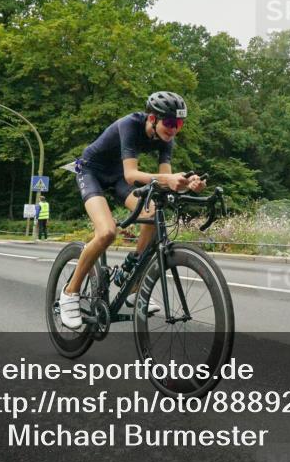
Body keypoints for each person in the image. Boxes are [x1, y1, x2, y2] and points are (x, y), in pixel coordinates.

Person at [59, 91, 206, 329]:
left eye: (179, 123)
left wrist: (188, 183)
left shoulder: (167, 139)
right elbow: (131, 174)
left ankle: (133, 281)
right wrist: (168, 180)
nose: (174, 129)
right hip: (90, 170)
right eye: (169, 122)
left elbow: (165, 179)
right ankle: (70, 292)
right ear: (152, 118)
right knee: (106, 232)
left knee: (151, 213)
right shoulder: (130, 124)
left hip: (116, 175)